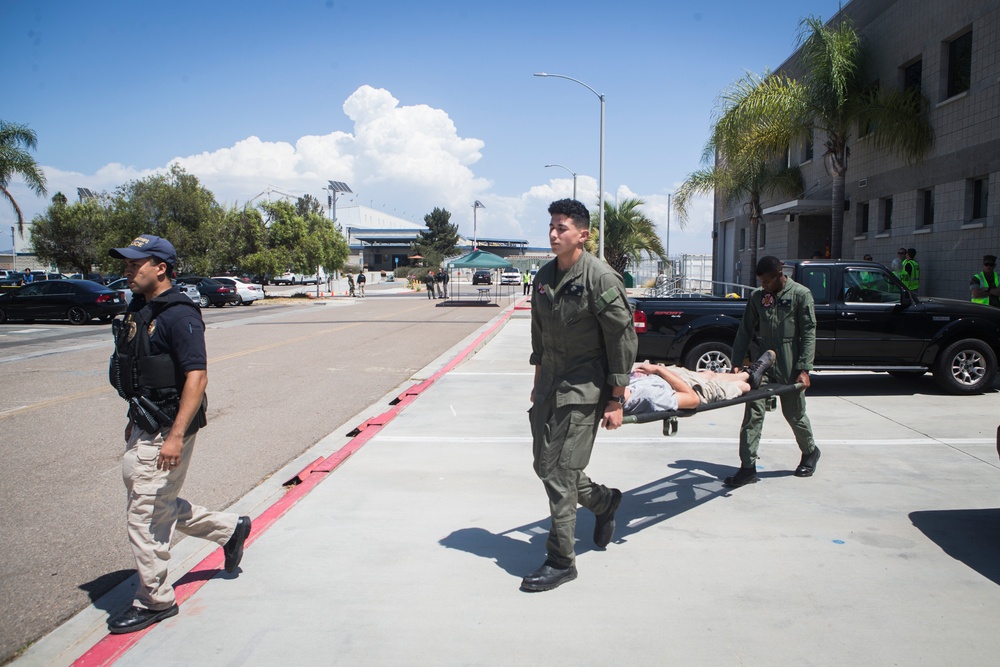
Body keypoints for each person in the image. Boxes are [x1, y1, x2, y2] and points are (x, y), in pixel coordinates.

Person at [106, 235, 250, 634]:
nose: (128, 270)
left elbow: (197, 376)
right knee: (154, 498)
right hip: (146, 421)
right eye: (127, 263)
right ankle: (229, 528)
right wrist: (135, 418)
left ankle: (155, 600)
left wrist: (175, 435)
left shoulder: (179, 315)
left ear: (161, 268)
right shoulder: (142, 307)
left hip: (169, 426)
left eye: (136, 264)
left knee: (145, 511)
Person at [522, 198, 637, 593]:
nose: (554, 234)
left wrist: (616, 399)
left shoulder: (600, 279)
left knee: (560, 474)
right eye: (551, 227)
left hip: (585, 390)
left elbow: (623, 339)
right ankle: (605, 502)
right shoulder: (544, 277)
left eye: (562, 228)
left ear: (583, 235)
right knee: (545, 465)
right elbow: (540, 336)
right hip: (551, 387)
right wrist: (538, 386)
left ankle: (561, 561)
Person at [725, 255, 820, 488]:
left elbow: (809, 332)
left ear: (780, 275)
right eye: (761, 282)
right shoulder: (758, 297)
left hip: (790, 361)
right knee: (753, 413)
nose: (763, 286)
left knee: (794, 413)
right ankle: (747, 468)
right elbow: (745, 330)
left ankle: (810, 452)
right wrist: (737, 361)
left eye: (767, 281)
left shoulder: (800, 294)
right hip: (764, 362)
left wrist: (804, 369)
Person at [624, 352, 775, 415]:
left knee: (708, 374)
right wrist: (658, 370)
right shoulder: (647, 398)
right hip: (689, 388)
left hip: (663, 376)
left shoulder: (619, 387)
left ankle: (748, 374)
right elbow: (692, 399)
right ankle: (749, 376)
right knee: (744, 386)